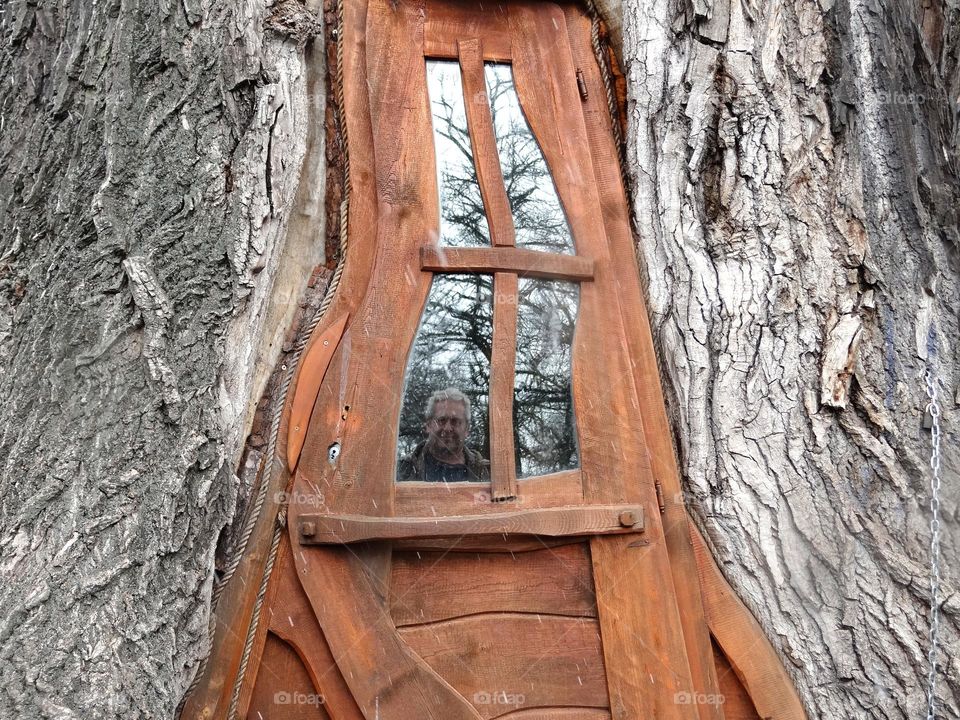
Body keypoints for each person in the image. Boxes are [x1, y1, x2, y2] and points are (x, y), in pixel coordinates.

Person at [398, 388, 490, 482]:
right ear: (428, 425)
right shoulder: (401, 471)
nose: (447, 428)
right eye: (441, 420)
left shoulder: (489, 474)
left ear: (467, 429)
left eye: (455, 421)